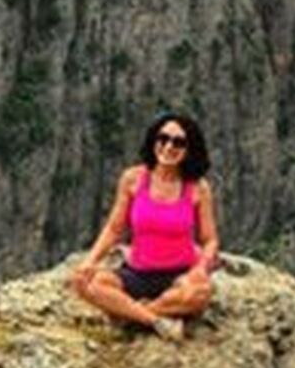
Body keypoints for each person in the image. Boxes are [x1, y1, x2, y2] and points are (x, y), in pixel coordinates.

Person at [70, 112, 219, 340]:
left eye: (179, 142)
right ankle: (156, 320)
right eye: (163, 139)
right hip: (137, 273)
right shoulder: (133, 179)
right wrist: (90, 261)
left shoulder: (198, 188)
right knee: (86, 284)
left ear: (190, 149)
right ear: (154, 141)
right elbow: (114, 228)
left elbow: (209, 240)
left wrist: (200, 269)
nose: (169, 147)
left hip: (179, 274)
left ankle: (131, 314)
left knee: (201, 292)